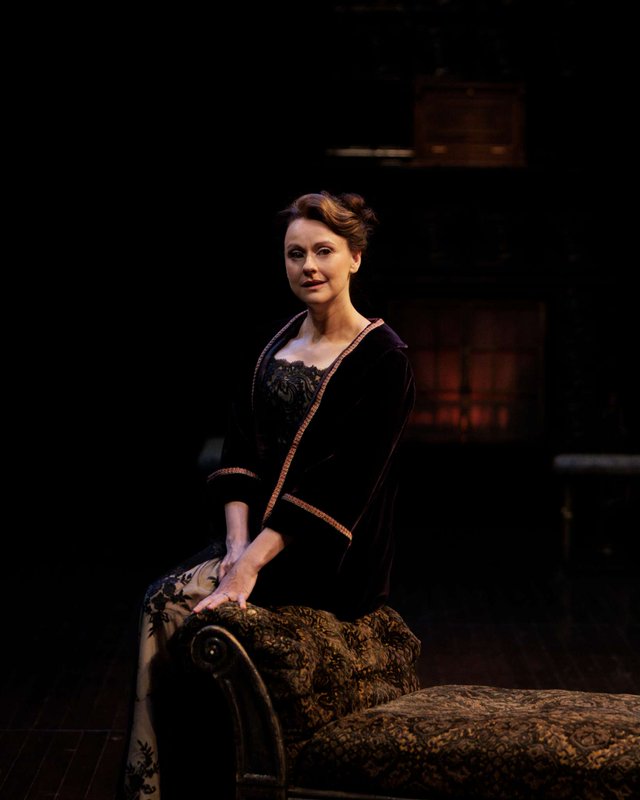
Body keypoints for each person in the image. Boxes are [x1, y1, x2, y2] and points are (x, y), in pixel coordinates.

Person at [124, 191, 416, 800]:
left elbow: (345, 483)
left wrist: (251, 565)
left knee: (184, 610)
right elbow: (240, 451)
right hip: (257, 542)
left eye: (324, 251)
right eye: (294, 254)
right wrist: (234, 548)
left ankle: (185, 785)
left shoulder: (384, 359)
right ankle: (154, 785)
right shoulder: (272, 346)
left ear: (355, 259)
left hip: (331, 556)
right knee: (162, 602)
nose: (308, 265)